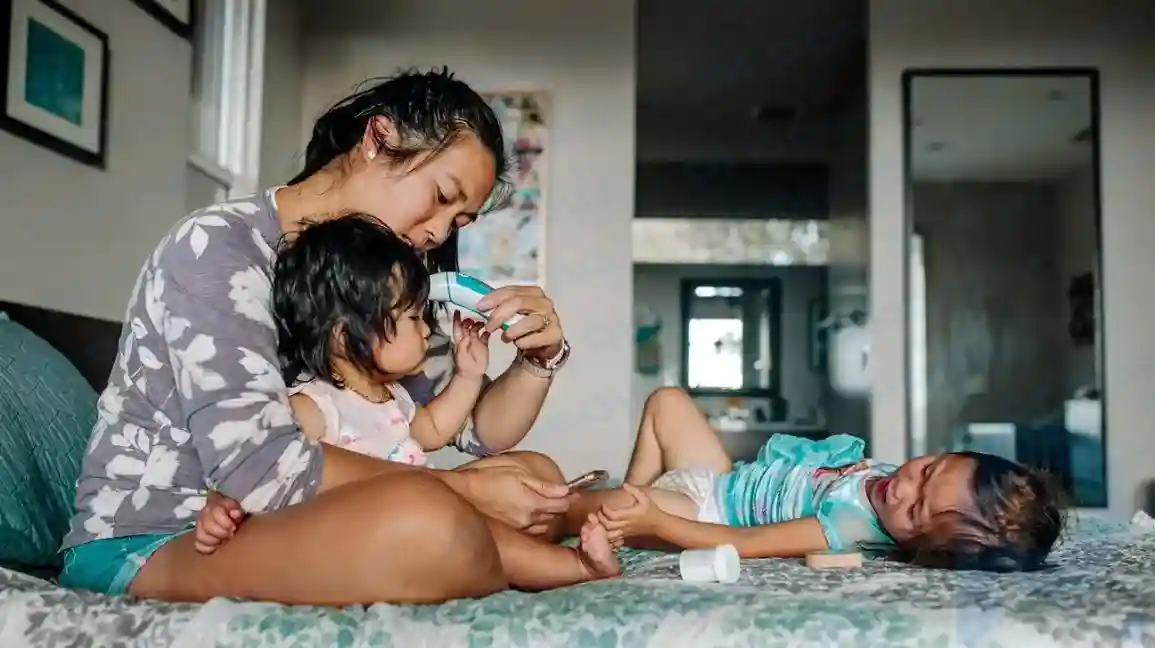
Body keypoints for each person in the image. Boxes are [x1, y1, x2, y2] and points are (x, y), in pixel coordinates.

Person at [60, 69, 586, 606]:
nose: (438, 232)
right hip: (164, 536)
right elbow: (261, 468)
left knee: (535, 477)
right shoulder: (218, 249)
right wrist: (469, 493)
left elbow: (474, 429)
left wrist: (538, 359)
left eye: (459, 220)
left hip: (294, 516)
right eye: (440, 196)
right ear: (378, 140)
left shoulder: (390, 278)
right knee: (431, 524)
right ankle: (479, 545)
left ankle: (474, 540)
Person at [193, 214, 619, 587]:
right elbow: (264, 468)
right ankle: (577, 566)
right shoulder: (313, 407)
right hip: (368, 530)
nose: (424, 331)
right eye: (413, 318)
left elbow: (431, 430)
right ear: (346, 337)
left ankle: (562, 542)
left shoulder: (389, 394)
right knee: (474, 528)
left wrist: (468, 377)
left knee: (527, 473)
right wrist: (223, 505)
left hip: (427, 504)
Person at [566, 387, 1066, 572]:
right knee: (666, 401)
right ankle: (626, 518)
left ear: (924, 547)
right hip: (722, 479)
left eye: (916, 511)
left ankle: (625, 522)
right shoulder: (892, 481)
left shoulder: (845, 527)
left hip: (705, 511)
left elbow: (740, 541)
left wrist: (655, 515)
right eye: (927, 470)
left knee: (580, 507)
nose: (904, 487)